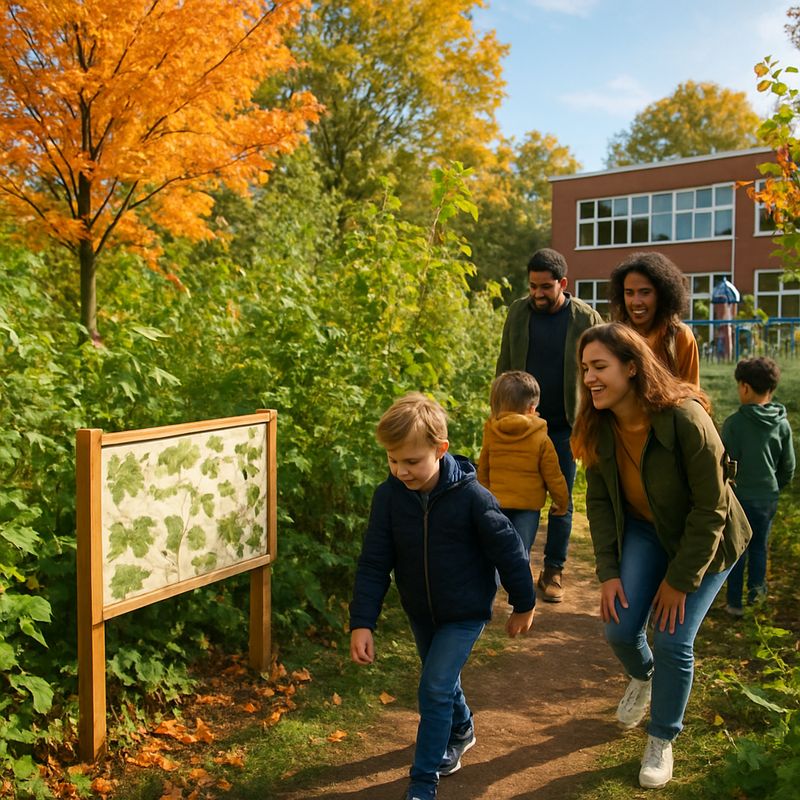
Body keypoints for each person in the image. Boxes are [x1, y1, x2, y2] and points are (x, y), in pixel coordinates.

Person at [570, 323, 750, 790]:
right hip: (647, 532)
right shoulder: (597, 422)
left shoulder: (686, 418)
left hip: (707, 541)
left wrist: (679, 581)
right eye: (584, 368)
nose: (589, 377)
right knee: (620, 628)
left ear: (632, 367)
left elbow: (711, 509)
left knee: (672, 639)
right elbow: (600, 504)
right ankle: (645, 677)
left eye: (600, 367)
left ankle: (662, 738)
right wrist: (608, 572)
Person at [349, 393, 536, 800]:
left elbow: (510, 550)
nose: (400, 471)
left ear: (441, 449)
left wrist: (524, 602)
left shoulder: (473, 498)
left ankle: (422, 783)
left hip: (464, 611)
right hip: (421, 610)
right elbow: (374, 563)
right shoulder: (389, 498)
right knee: (443, 682)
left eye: (412, 461)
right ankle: (462, 727)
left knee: (433, 688)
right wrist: (363, 621)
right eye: (392, 460)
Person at [496, 248, 603, 602]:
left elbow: (600, 368)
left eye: (545, 287)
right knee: (514, 497)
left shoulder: (586, 319)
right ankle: (514, 566)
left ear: (563, 284)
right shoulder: (518, 311)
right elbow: (505, 364)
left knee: (561, 500)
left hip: (564, 427)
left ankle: (554, 569)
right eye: (533, 287)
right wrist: (499, 412)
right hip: (520, 424)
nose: (538, 294)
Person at [721, 357, 795, 616]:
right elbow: (788, 467)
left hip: (738, 498)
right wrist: (774, 487)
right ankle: (756, 600)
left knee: (736, 549)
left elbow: (723, 465)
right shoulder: (782, 424)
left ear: (745, 387)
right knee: (759, 547)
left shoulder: (734, 424)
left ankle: (734, 604)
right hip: (767, 498)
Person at [477, 370, 569, 557]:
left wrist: (482, 500)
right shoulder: (541, 438)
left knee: (495, 551)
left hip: (496, 504)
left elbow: (483, 470)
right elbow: (553, 475)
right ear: (531, 408)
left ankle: (492, 583)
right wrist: (561, 501)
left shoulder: (491, 433)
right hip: (528, 508)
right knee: (519, 554)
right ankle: (519, 584)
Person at [607, 252, 700, 386]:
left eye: (645, 293)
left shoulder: (680, 336)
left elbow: (693, 397)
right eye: (629, 293)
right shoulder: (615, 337)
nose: (636, 302)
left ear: (662, 295)